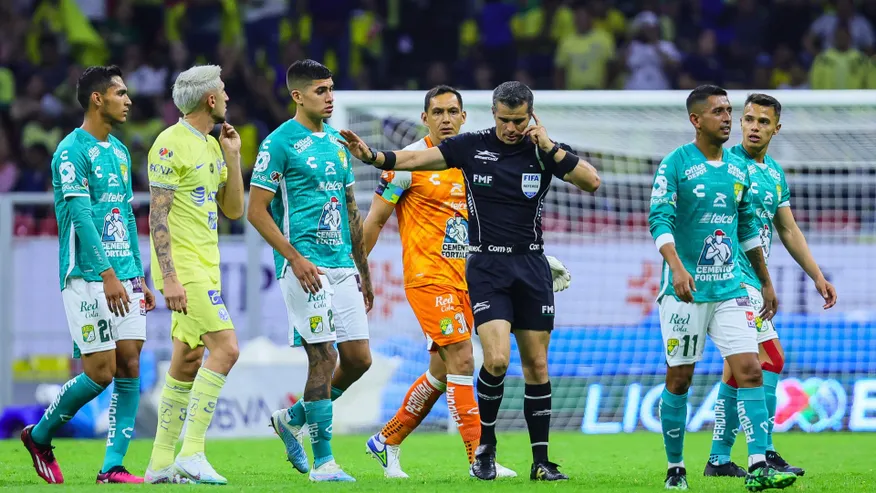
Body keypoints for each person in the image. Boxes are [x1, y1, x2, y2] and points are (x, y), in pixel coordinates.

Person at [340, 81, 599, 482]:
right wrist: (360, 273)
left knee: (441, 373)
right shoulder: (412, 164)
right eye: (437, 113)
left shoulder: (474, 160)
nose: (445, 119)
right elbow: (373, 222)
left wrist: (534, 255)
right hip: (429, 279)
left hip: (469, 278)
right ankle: (479, 457)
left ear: (464, 116)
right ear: (424, 118)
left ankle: (387, 439)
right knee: (467, 360)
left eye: (452, 112)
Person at [648, 84, 798, 491]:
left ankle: (758, 463)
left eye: (729, 111)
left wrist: (766, 282)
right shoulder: (675, 164)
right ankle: (676, 467)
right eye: (719, 112)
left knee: (752, 369)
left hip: (731, 288)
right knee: (680, 378)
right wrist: (677, 268)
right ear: (696, 120)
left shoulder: (738, 170)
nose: (729, 118)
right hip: (686, 292)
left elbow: (748, 226)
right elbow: (658, 220)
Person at [21, 65, 155, 485]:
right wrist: (109, 274)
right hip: (86, 276)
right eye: (120, 92)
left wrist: (138, 275)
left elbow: (126, 217)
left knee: (130, 363)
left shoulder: (118, 151)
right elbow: (79, 216)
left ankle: (112, 467)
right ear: (97, 99)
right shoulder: (69, 151)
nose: (128, 100)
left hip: (125, 274)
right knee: (101, 372)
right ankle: (39, 435)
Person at [247, 59, 374, 482]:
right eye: (321, 90)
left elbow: (352, 210)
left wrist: (365, 272)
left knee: (358, 359)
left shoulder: (339, 143)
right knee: (323, 358)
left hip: (342, 265)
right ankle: (324, 463)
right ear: (297, 96)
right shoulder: (279, 143)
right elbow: (256, 211)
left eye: (332, 88)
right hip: (304, 267)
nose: (330, 97)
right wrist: (294, 257)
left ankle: (292, 419)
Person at [704, 93, 837, 479]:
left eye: (763, 122)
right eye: (748, 119)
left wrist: (817, 275)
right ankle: (763, 452)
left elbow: (788, 228)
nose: (754, 127)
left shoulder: (774, 173)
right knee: (770, 359)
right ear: (740, 123)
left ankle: (718, 458)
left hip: (751, 279)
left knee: (736, 368)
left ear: (776, 128)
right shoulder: (723, 164)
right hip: (731, 276)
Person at [143, 65, 245, 485]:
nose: (226, 96)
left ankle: (159, 463)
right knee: (227, 349)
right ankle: (193, 452)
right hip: (185, 270)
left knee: (187, 362)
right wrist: (168, 279)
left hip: (208, 265)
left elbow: (234, 209)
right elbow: (157, 216)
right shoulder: (169, 143)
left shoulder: (213, 145)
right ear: (209, 99)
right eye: (222, 90)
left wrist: (235, 157)